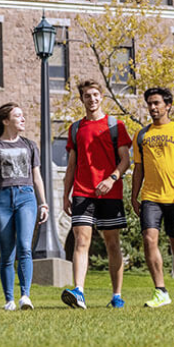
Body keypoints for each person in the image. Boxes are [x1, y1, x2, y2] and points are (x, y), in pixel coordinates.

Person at [61, 80, 131, 309]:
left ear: (101, 97)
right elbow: (71, 165)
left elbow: (125, 161)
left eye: (94, 95)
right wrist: (65, 194)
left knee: (112, 243)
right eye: (86, 96)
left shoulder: (115, 126)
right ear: (82, 99)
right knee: (81, 241)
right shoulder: (75, 128)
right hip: (82, 192)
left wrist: (111, 179)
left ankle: (117, 295)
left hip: (109, 193)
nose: (91, 99)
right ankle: (79, 291)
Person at [131, 87, 174, 308]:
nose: (152, 107)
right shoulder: (142, 135)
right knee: (149, 239)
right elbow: (138, 169)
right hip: (151, 196)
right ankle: (160, 291)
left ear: (168, 105)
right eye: (150, 104)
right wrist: (134, 196)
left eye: (157, 103)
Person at [0, 102, 49, 311]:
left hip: (26, 197)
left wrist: (43, 203)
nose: (23, 118)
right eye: (18, 115)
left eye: (23, 115)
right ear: (6, 121)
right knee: (8, 251)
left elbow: (37, 177)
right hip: (1, 199)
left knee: (25, 247)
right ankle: (9, 300)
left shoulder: (29, 145)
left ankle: (25, 296)